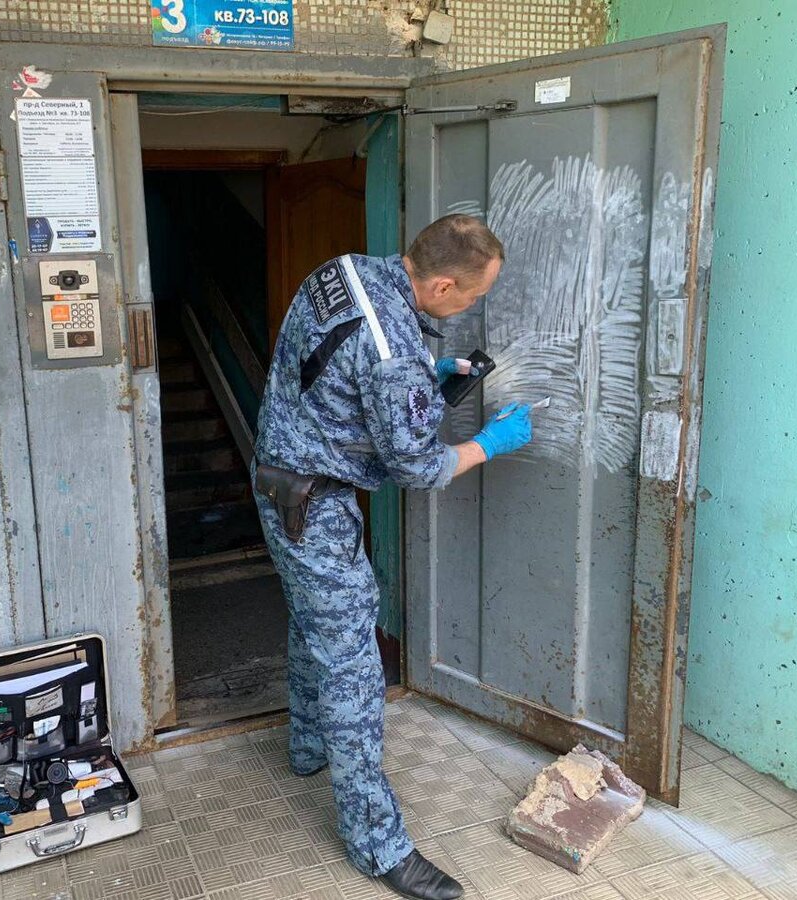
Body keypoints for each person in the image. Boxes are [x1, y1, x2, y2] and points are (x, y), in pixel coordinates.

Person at [252, 214, 533, 900]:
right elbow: (418, 465)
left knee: (313, 620)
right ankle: (379, 847)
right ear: (438, 282)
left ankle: (308, 747)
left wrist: (421, 386)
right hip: (313, 504)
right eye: (467, 298)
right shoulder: (393, 352)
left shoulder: (342, 270)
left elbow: (338, 376)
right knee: (352, 668)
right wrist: (492, 442)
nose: (468, 309)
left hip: (278, 478)